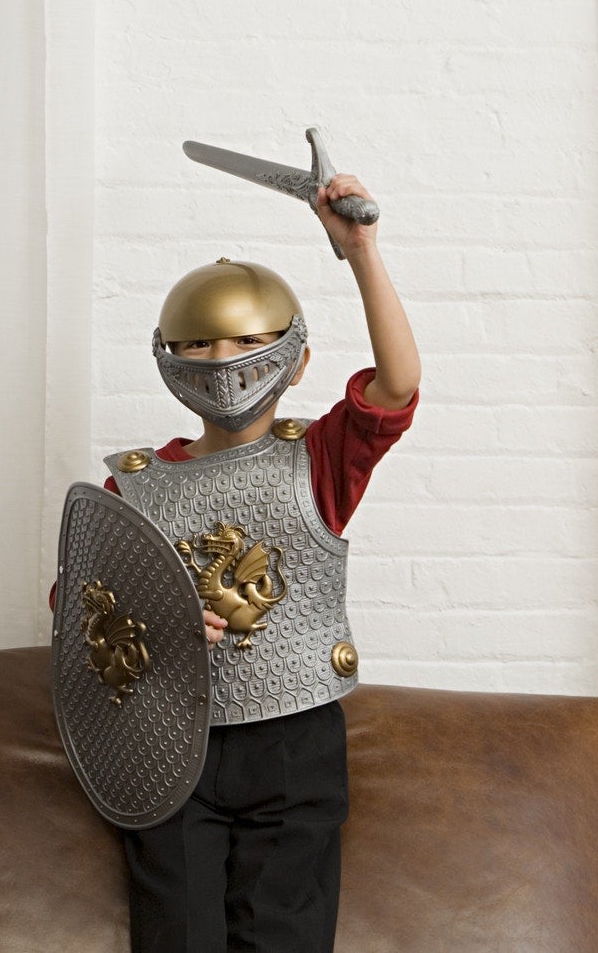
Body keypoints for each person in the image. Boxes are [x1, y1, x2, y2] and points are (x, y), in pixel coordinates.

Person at [99, 173, 420, 953]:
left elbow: (397, 387)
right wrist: (157, 626)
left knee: (284, 938)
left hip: (293, 739)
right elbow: (83, 615)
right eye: (201, 342)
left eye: (249, 342)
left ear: (294, 359)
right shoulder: (132, 486)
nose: (225, 359)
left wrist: (361, 252)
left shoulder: (318, 460)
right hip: (175, 739)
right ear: (168, 358)